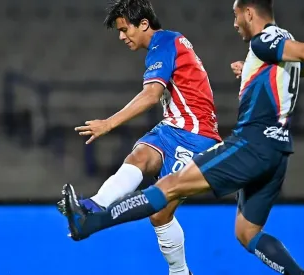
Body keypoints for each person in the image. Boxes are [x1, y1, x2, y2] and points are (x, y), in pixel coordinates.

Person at [60, 0, 304, 274]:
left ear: (248, 13)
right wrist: (251, 67)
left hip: (242, 141)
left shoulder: (262, 39)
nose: (234, 24)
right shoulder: (276, 41)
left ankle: (91, 223)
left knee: (165, 191)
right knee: (247, 233)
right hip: (278, 151)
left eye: (235, 15)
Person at [58, 0, 221, 274]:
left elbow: (151, 95)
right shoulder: (167, 44)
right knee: (140, 155)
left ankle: (180, 273)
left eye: (124, 29)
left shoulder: (165, 43)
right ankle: (93, 205)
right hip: (172, 129)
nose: (122, 36)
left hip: (197, 136)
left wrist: (108, 124)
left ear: (144, 23)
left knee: (160, 213)